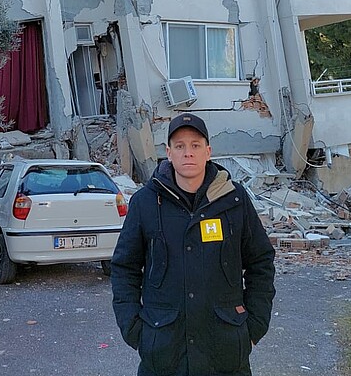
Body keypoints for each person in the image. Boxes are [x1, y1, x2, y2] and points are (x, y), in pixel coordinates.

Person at [111, 113, 275, 376]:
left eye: (195, 145)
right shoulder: (145, 203)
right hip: (163, 353)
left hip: (225, 353)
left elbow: (261, 262)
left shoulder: (234, 200)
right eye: (180, 146)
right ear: (169, 153)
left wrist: (254, 327)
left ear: (208, 152)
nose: (188, 153)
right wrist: (134, 330)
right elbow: (124, 269)